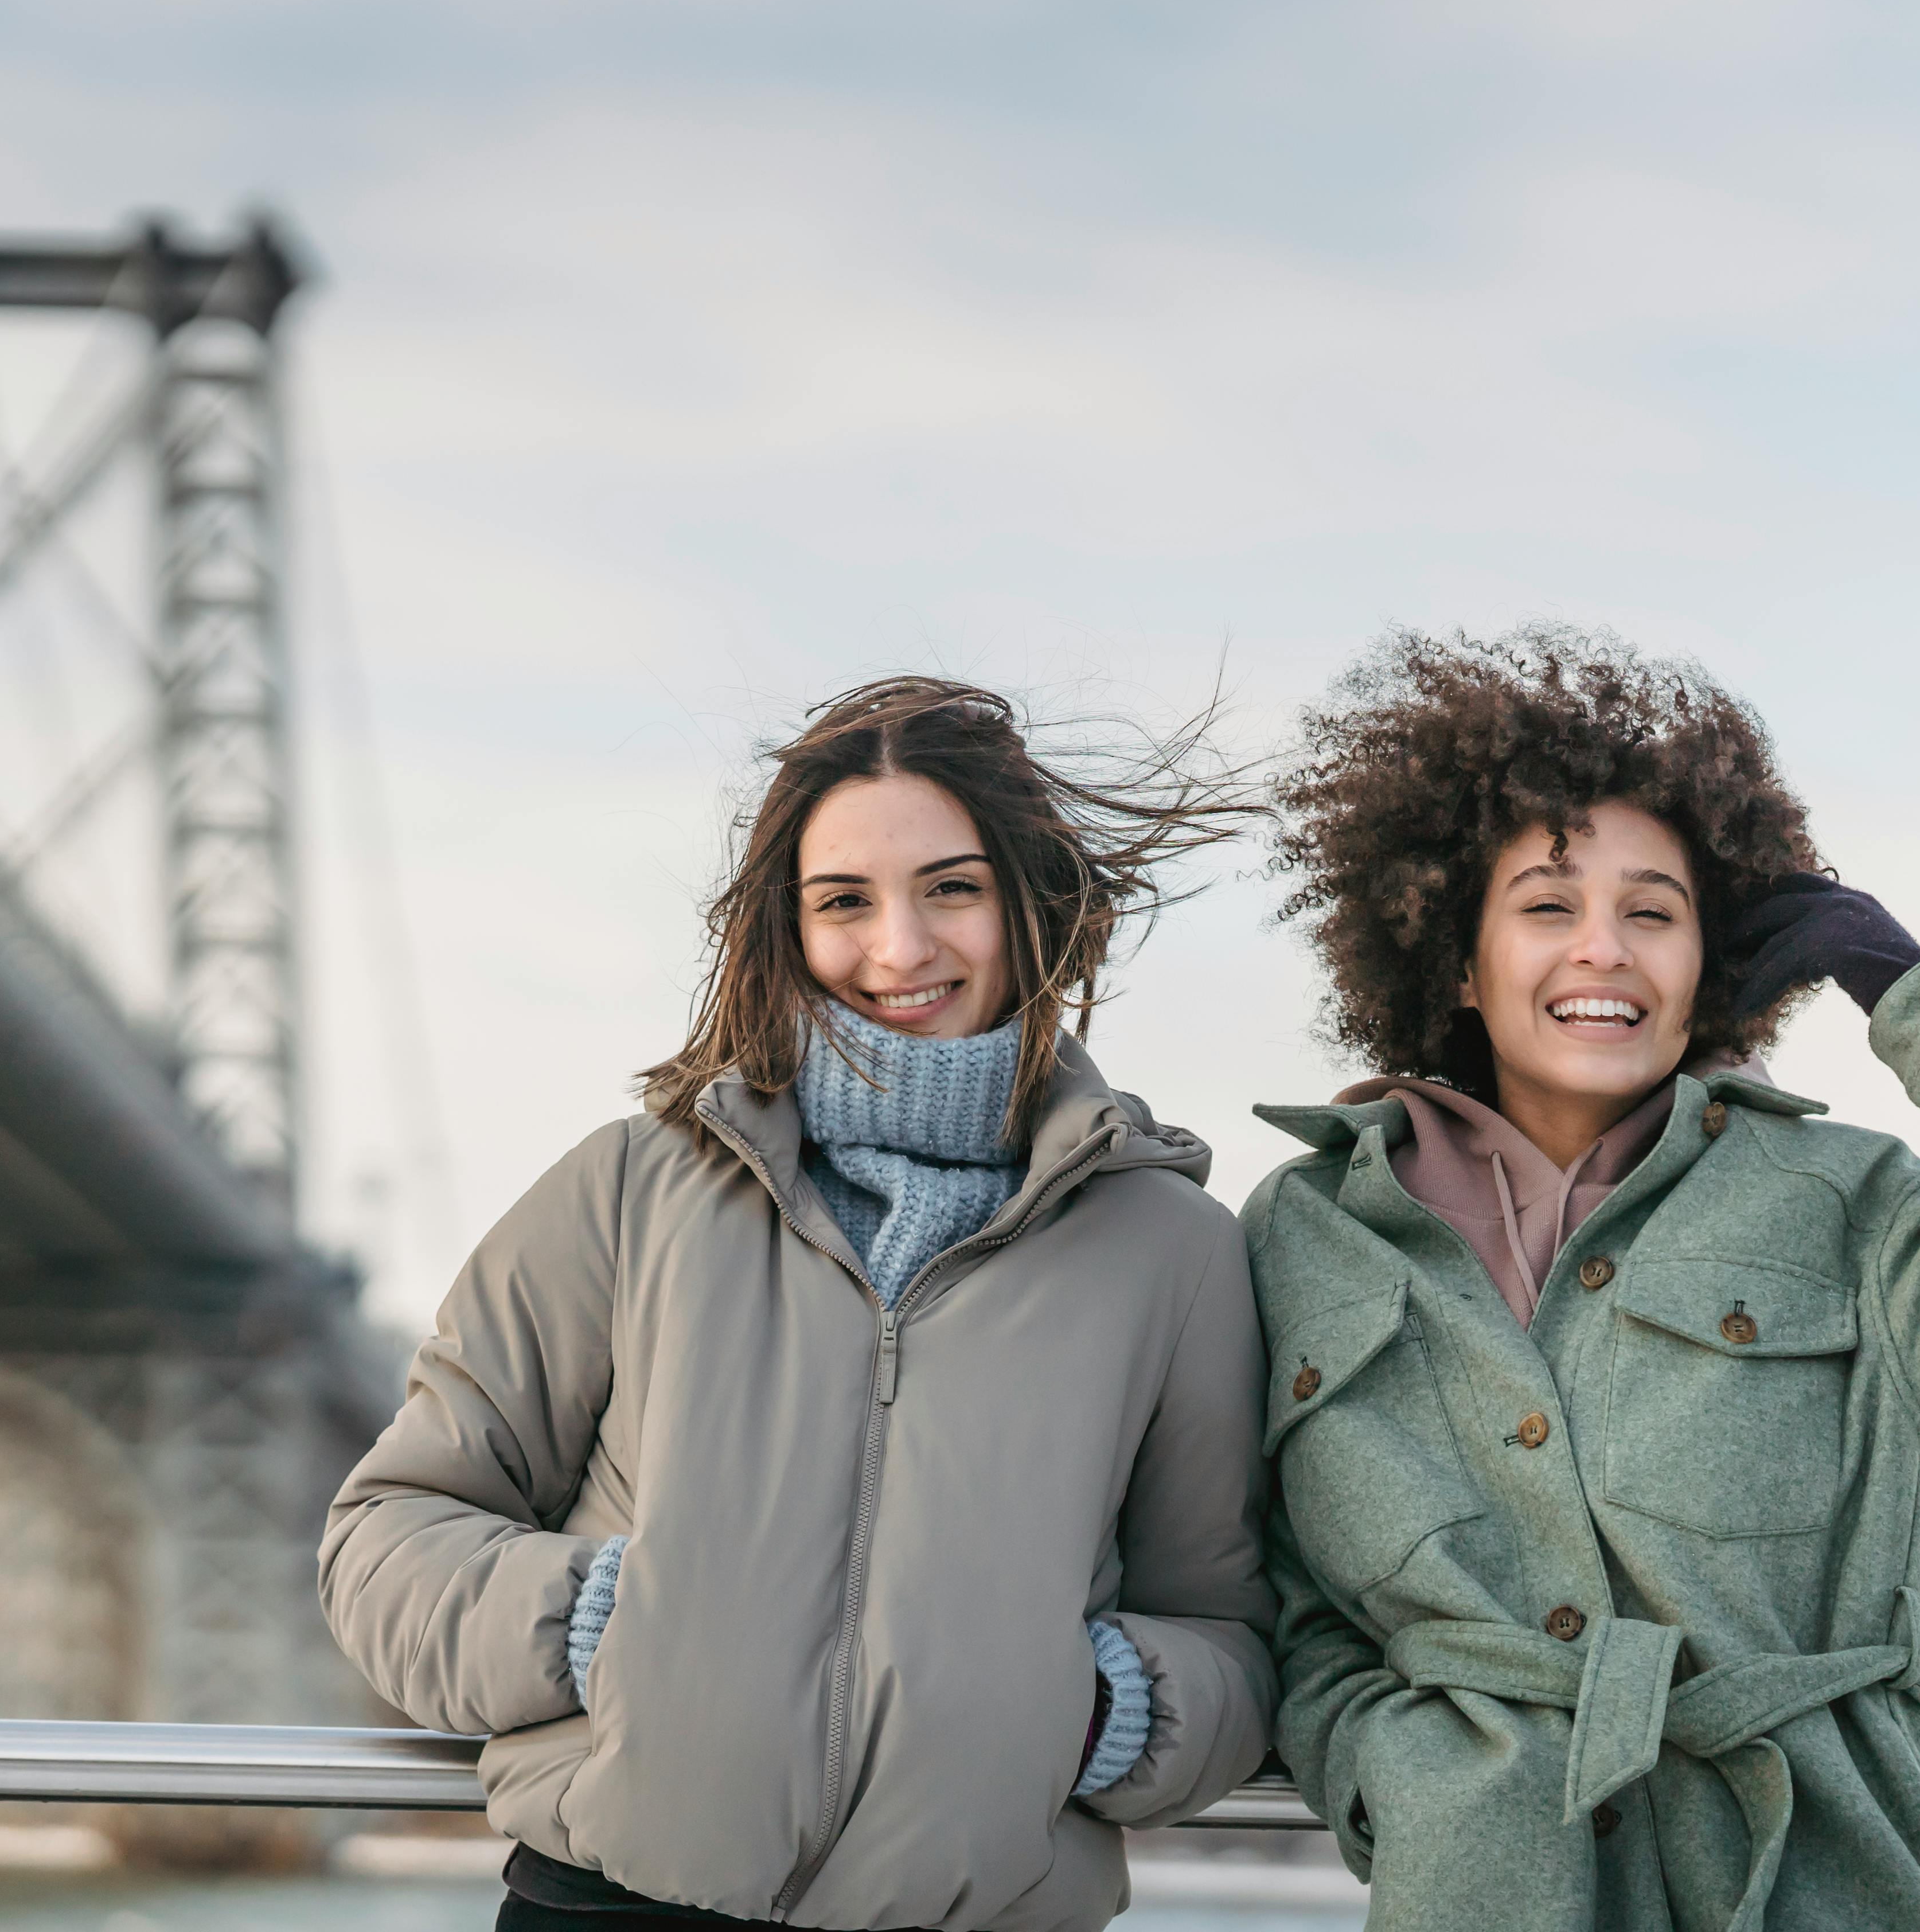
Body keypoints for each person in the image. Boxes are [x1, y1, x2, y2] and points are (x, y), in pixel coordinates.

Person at [1243, 628, 1920, 1932]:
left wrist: (1916, 993)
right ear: (1459, 963)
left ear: (1712, 966)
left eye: (1655, 911)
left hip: (1833, 1886)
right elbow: (1296, 1608)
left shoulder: (1841, 1199)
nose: (1606, 950)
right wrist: (1395, 1777)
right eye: (1547, 907)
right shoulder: (1309, 1226)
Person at [321, 677, 1278, 1932]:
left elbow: (1236, 1635)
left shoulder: (1174, 1250)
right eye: (844, 901)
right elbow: (388, 1529)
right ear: (785, 929)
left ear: (1032, 904)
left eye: (952, 887)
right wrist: (598, 1623)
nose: (900, 949)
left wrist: (1106, 1710)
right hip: (612, 1907)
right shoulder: (629, 1188)